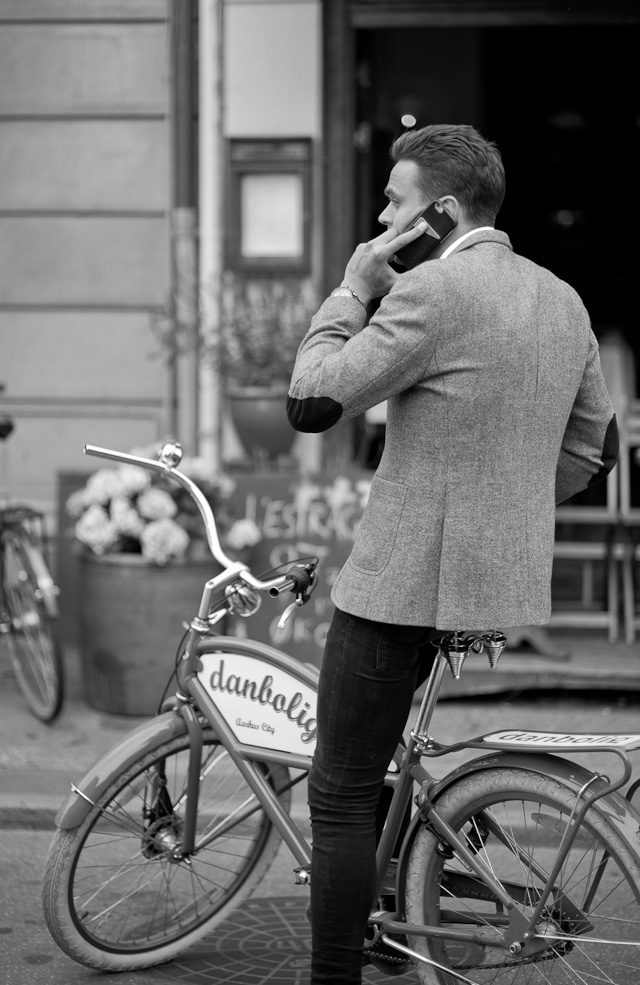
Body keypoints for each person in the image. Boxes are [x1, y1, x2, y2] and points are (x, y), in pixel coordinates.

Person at [286, 123, 618, 985]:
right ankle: (404, 890)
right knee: (387, 765)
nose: (382, 218)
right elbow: (596, 452)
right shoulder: (563, 300)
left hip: (401, 583)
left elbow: (314, 401)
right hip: (491, 584)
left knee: (341, 791)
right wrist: (505, 506)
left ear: (438, 210)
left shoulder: (430, 290)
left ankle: (334, 973)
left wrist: (352, 288)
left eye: (394, 203)